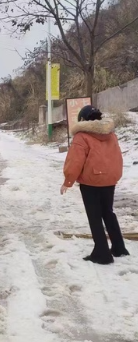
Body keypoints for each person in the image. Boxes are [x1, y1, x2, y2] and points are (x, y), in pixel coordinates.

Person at [61, 105, 129, 264]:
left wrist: (68, 181)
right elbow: (117, 157)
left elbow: (75, 162)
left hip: (91, 182)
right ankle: (119, 247)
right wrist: (114, 176)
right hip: (109, 181)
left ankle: (102, 254)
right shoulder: (111, 135)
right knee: (108, 213)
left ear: (83, 120)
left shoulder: (81, 136)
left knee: (95, 217)